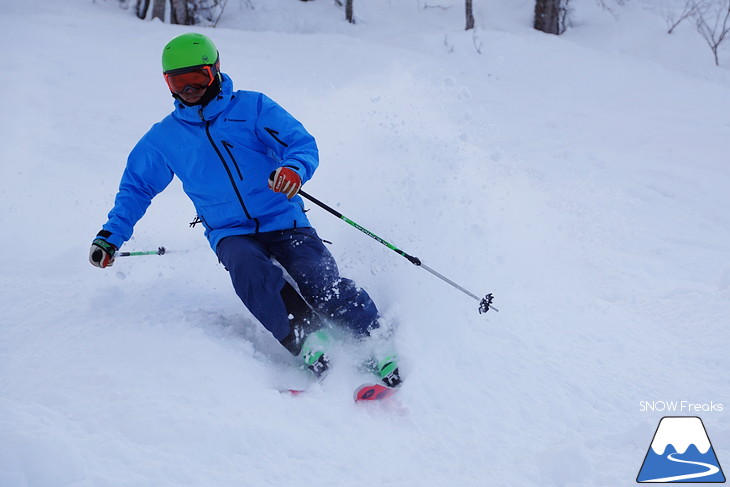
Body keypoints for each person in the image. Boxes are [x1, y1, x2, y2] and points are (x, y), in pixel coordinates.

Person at [89, 32, 400, 387]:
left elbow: (300, 143)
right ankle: (307, 337)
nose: (189, 90)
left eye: (198, 79)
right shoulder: (165, 138)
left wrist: (292, 169)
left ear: (216, 70)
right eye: (178, 82)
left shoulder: (252, 108)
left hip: (283, 217)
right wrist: (110, 237)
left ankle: (374, 335)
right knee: (249, 272)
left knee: (317, 276)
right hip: (229, 231)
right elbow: (137, 187)